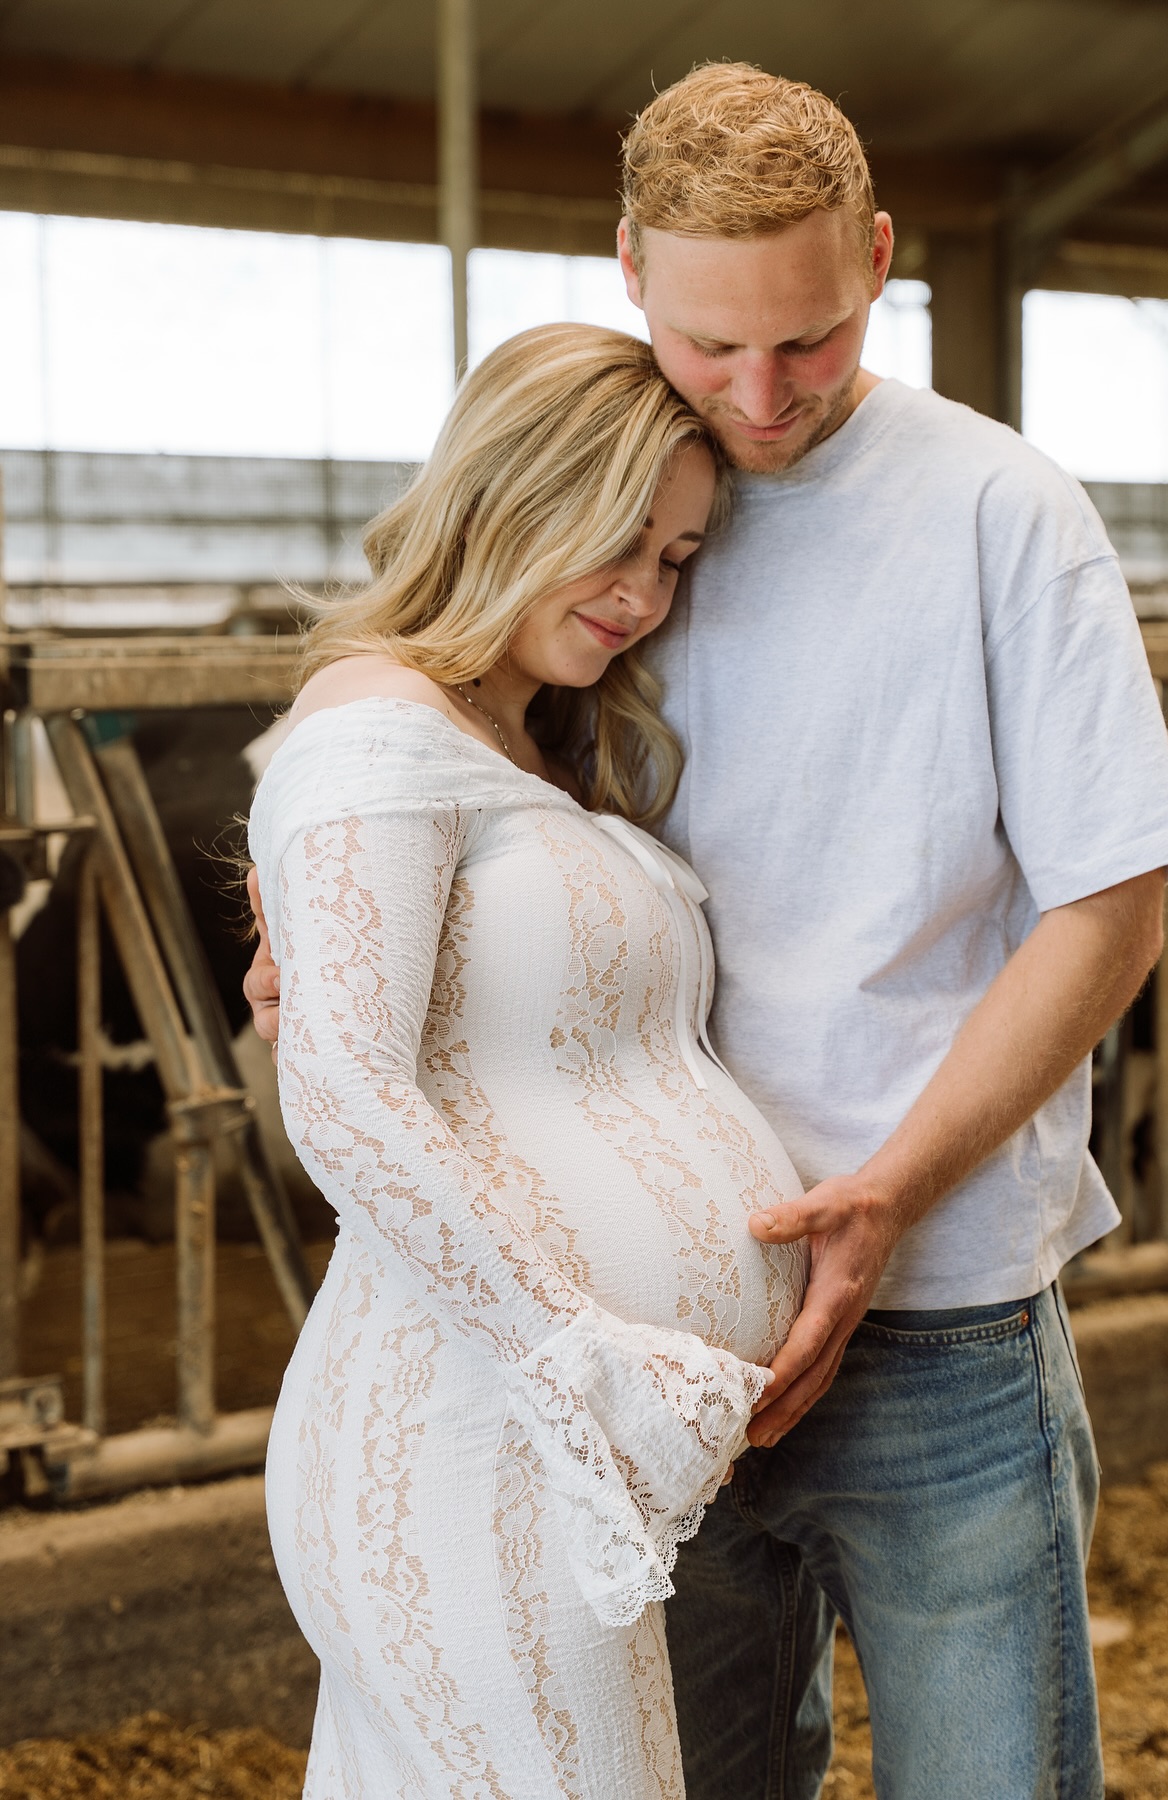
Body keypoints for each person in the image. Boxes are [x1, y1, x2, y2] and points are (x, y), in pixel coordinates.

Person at [250, 63, 1168, 1800]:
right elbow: (453, 796)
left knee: (990, 1778)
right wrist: (324, 935)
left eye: (815, 339)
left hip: (934, 1307)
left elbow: (1113, 905)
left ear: (882, 261)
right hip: (642, 1367)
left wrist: (889, 1195)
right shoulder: (608, 493)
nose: (764, 396)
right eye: (713, 346)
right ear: (629, 267)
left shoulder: (1002, 513)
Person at [247, 321, 806, 1797]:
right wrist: (581, 1350)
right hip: (474, 1423)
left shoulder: (522, 741)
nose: (644, 596)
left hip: (555, 1440)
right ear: (507, 494)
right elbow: (346, 1094)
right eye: (617, 540)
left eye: (678, 559)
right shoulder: (378, 723)